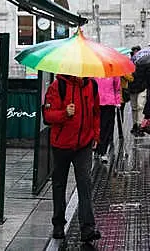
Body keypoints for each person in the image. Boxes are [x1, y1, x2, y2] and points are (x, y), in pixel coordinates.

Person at [43, 75, 101, 242]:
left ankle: (88, 228)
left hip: (83, 144)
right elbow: (47, 116)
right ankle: (58, 224)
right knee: (59, 183)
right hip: (61, 144)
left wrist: (95, 136)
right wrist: (64, 113)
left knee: (85, 183)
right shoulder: (58, 86)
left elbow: (96, 113)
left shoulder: (92, 85)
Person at [94, 76, 121, 164]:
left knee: (106, 128)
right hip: (96, 103)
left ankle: (103, 151)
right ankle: (98, 147)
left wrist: (117, 102)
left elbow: (117, 88)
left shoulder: (114, 72)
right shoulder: (95, 71)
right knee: (97, 126)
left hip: (109, 103)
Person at [128, 45, 148, 136]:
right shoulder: (130, 62)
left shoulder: (144, 62)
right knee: (134, 107)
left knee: (140, 106)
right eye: (134, 51)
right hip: (132, 88)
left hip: (141, 87)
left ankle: (140, 125)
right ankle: (135, 124)